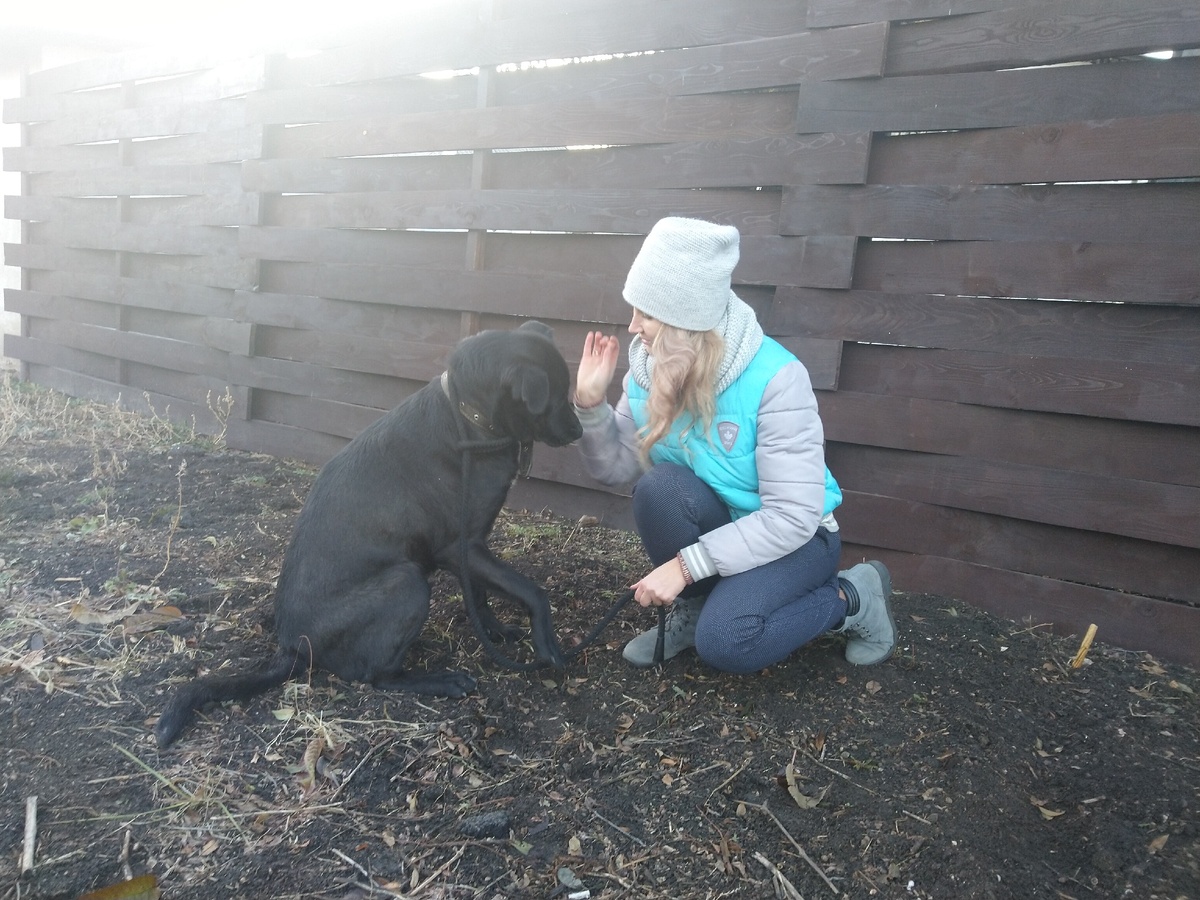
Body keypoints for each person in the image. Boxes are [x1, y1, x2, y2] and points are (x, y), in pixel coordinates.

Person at [572, 217, 896, 671]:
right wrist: (590, 407)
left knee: (729, 643)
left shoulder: (776, 380)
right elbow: (617, 468)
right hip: (726, 533)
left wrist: (684, 567)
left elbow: (792, 516)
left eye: (645, 314)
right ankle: (698, 607)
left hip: (798, 542)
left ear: (683, 320)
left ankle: (853, 597)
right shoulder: (650, 369)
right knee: (657, 488)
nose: (632, 327)